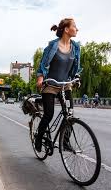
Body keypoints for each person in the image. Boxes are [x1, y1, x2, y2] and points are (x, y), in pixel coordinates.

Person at [35, 18, 82, 152]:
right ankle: (39, 137)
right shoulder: (53, 46)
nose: (77, 29)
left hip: (65, 84)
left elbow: (76, 67)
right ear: (66, 29)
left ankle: (65, 141)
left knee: (70, 113)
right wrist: (40, 78)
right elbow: (43, 64)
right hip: (51, 84)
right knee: (49, 114)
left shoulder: (76, 47)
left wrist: (76, 77)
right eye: (74, 26)